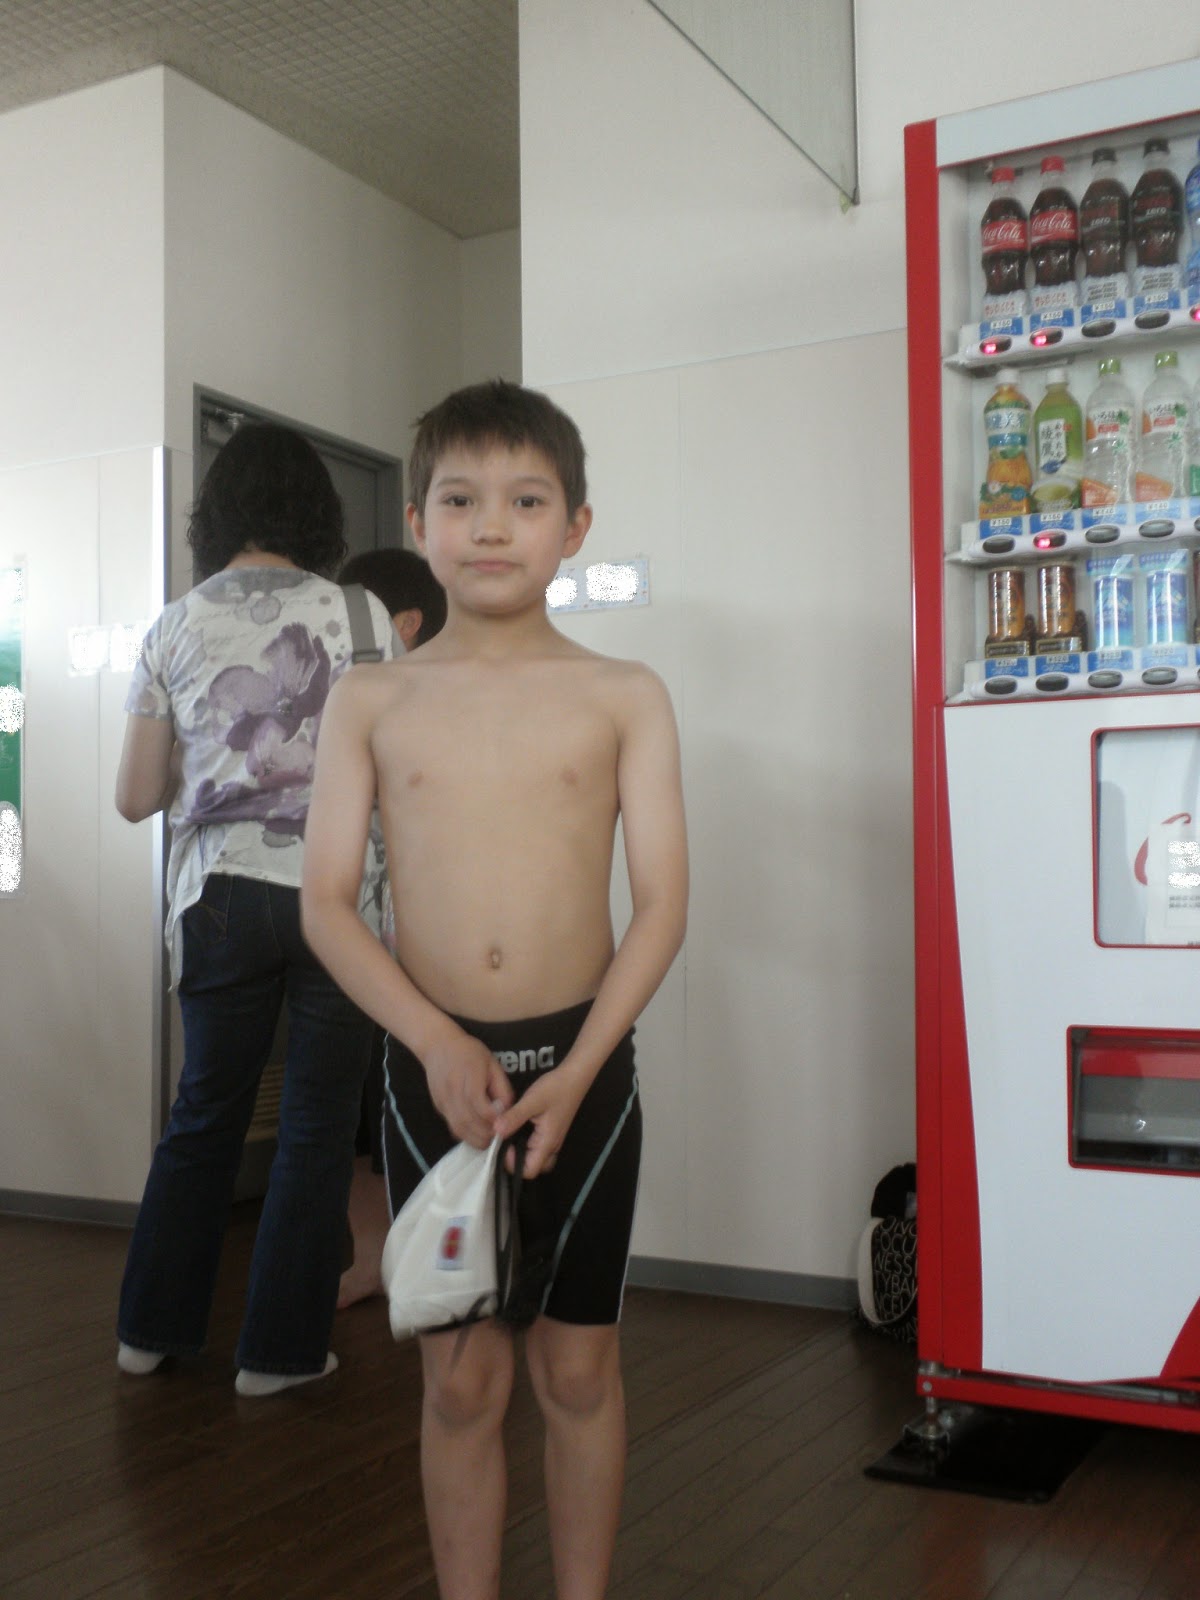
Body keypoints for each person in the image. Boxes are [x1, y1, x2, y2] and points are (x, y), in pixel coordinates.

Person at [301, 380, 688, 1598]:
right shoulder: (371, 697)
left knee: (578, 1371)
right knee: (461, 1381)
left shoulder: (626, 693)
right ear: (419, 522)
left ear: (575, 526)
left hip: (587, 1074)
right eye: (462, 501)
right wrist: (430, 1039)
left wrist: (578, 1071)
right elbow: (325, 903)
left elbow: (662, 906)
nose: (491, 526)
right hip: (434, 1076)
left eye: (526, 501)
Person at [114, 421, 400, 1397]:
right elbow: (401, 773)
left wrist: (213, 771)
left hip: (220, 897)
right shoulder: (364, 618)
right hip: (338, 897)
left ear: (217, 513)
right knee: (316, 1124)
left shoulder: (174, 626)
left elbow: (135, 796)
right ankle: (280, 1354)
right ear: (316, 513)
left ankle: (149, 1330)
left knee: (204, 1113)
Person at [334, 547, 447, 1308]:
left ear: (401, 623)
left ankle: (433, 1258)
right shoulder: (353, 702)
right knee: (355, 1115)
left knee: (416, 1110)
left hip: (428, 953)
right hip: (357, 945)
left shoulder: (443, 701)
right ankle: (370, 1257)